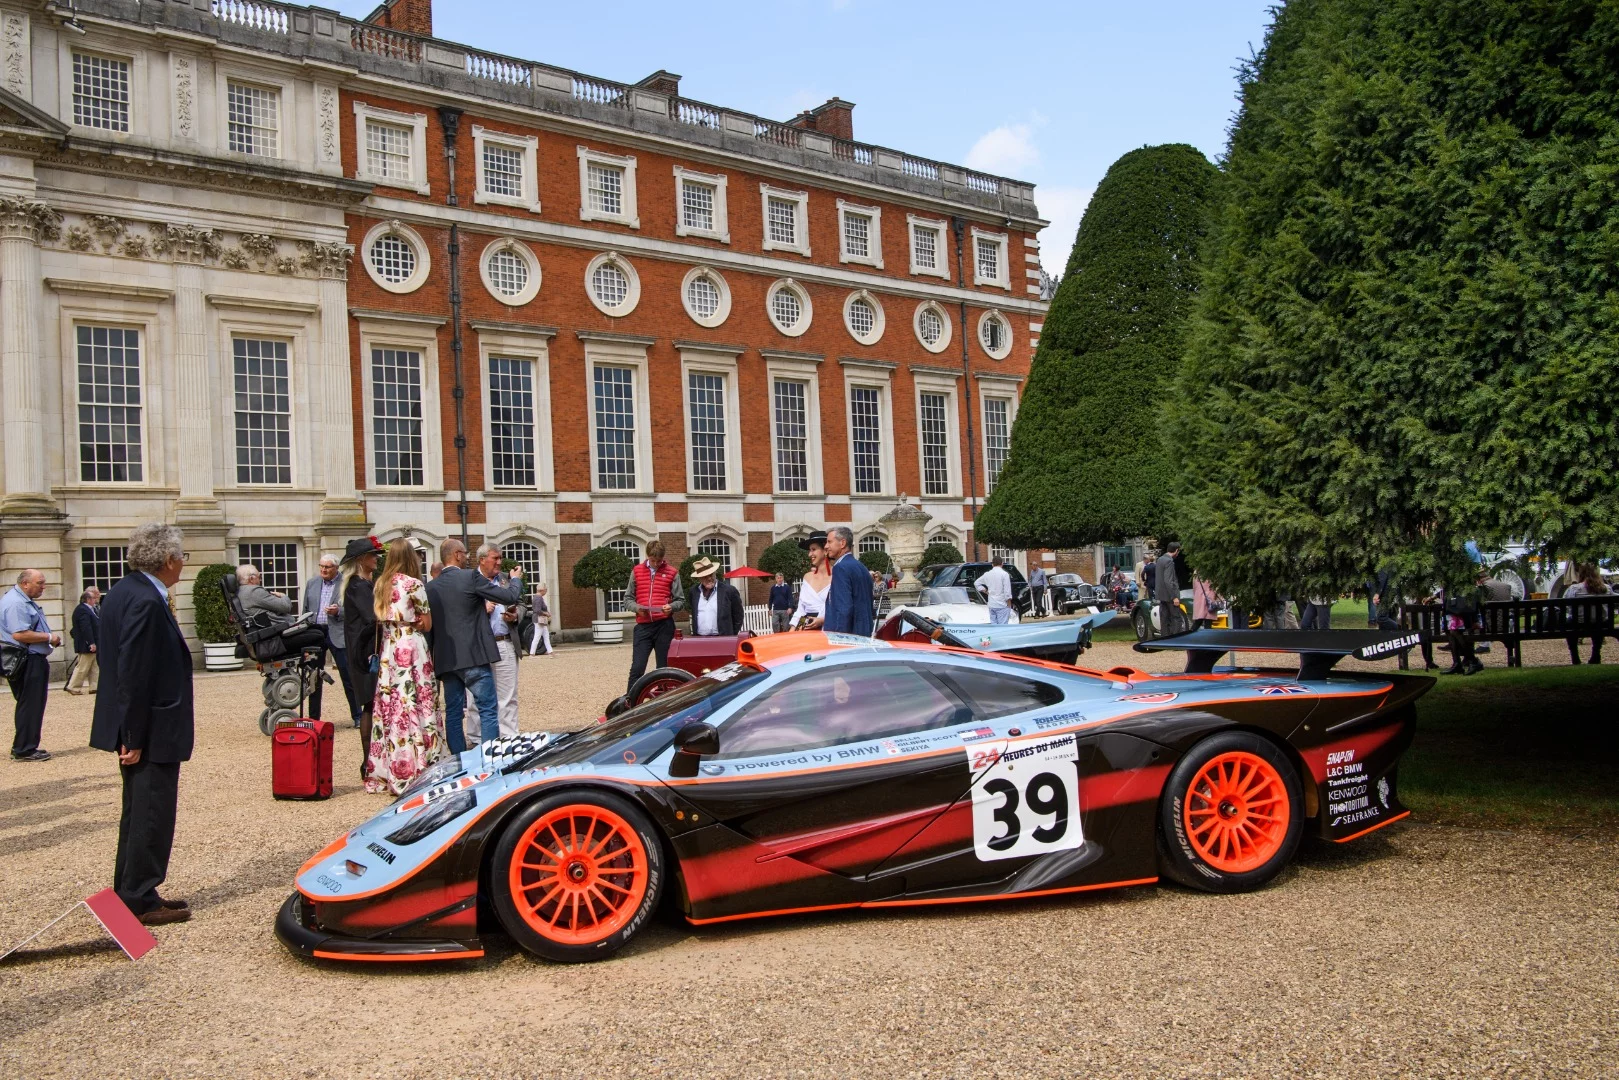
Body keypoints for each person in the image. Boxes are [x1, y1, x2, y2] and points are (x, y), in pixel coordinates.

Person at [88, 523, 193, 925]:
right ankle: (139, 899)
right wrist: (132, 735)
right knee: (151, 811)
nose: (183, 563)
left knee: (137, 810)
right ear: (168, 560)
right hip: (151, 727)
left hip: (141, 723)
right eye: (182, 556)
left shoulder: (123, 591)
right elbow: (132, 672)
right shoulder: (147, 600)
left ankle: (132, 888)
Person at [425, 539, 522, 750]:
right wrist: (515, 580)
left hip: (446, 659)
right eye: (465, 554)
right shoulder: (470, 577)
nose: (467, 558)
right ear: (458, 555)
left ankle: (459, 759)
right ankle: (488, 758)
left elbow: (429, 627)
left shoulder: (430, 587)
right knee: (487, 707)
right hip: (473, 655)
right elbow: (510, 595)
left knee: (452, 712)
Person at [365, 541, 440, 795]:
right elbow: (426, 623)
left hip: (389, 646)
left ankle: (389, 768)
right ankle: (422, 761)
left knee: (391, 703)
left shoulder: (380, 584)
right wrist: (416, 622)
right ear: (411, 557)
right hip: (410, 643)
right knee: (417, 699)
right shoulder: (413, 584)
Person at [3, 569, 59, 762]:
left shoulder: (20, 600)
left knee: (31, 704)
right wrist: (50, 637)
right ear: (25, 583)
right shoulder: (17, 603)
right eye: (40, 583)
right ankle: (24, 749)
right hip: (27, 659)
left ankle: (25, 746)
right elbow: (20, 634)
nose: (44, 587)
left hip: (29, 658)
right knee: (30, 705)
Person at [339, 537, 384, 775]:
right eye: (372, 555)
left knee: (371, 704)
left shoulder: (363, 584)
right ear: (360, 560)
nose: (376, 558)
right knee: (369, 704)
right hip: (364, 653)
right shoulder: (358, 585)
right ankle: (368, 762)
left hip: (364, 649)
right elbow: (372, 617)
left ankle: (371, 761)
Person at [301, 555, 357, 724]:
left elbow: (355, 610)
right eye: (322, 566)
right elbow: (305, 609)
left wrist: (338, 611)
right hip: (315, 633)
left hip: (337, 633)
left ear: (336, 567)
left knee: (348, 675)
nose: (324, 570)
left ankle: (358, 716)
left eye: (328, 567)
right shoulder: (312, 583)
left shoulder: (347, 583)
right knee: (313, 677)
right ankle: (314, 718)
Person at [625, 540, 685, 693]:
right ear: (648, 556)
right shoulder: (637, 571)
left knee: (663, 668)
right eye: (653, 560)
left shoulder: (672, 572)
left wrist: (671, 607)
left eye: (659, 560)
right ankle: (630, 702)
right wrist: (637, 608)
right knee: (637, 667)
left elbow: (680, 600)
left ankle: (663, 702)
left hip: (664, 626)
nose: (657, 564)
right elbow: (627, 599)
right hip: (643, 626)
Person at [483, 552, 525, 739]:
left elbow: (522, 603)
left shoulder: (505, 580)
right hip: (480, 645)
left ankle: (510, 740)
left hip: (505, 641)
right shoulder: (472, 581)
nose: (500, 562)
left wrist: (516, 615)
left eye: (500, 558)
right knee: (479, 700)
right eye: (495, 558)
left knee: (508, 697)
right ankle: (480, 743)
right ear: (482, 559)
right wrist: (482, 610)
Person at [822, 526, 874, 636]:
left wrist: (839, 638)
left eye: (829, 542)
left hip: (848, 638)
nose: (826, 546)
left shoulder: (840, 568)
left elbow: (843, 609)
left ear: (842, 543)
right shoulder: (861, 567)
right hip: (864, 634)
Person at [1562, 562, 1608, 665]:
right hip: (1601, 624)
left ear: (1580, 574)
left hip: (1578, 623)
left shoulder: (1574, 588)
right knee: (1599, 621)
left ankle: (1575, 657)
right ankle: (1596, 654)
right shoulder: (1606, 588)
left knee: (1570, 623)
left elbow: (1565, 603)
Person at [689, 558, 744, 636]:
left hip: (723, 639)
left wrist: (730, 635)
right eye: (705, 576)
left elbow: (738, 616)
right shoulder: (693, 592)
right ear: (699, 578)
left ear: (715, 573)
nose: (709, 578)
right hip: (699, 639)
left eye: (711, 574)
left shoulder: (729, 591)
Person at [791, 532, 832, 629]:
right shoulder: (807, 577)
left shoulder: (838, 576)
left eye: (813, 549)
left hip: (828, 630)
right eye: (809, 550)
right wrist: (794, 631)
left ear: (825, 551)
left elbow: (842, 610)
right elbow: (801, 610)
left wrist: (822, 620)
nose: (810, 554)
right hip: (807, 628)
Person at [66, 586, 101, 696]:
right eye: (93, 599)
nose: (95, 600)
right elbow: (86, 628)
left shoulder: (88, 609)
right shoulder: (82, 610)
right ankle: (73, 686)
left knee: (94, 666)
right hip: (86, 643)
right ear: (88, 600)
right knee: (83, 666)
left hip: (93, 642)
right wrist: (91, 642)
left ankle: (94, 686)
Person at [976, 555, 1015, 626]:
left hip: (991, 603)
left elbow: (976, 583)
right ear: (1002, 564)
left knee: (993, 625)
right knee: (1002, 627)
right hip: (1002, 604)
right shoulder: (1004, 574)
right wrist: (1009, 605)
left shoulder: (987, 574)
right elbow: (1007, 592)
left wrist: (984, 590)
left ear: (992, 564)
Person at [1154, 543, 1182, 637]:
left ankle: (1165, 639)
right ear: (1176, 550)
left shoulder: (1160, 559)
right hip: (1170, 595)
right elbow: (1168, 581)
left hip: (1161, 594)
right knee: (1176, 618)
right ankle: (1175, 640)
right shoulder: (1169, 561)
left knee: (1164, 618)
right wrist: (1174, 596)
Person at [527, 584, 554, 656]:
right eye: (546, 590)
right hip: (539, 619)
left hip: (539, 619)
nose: (546, 591)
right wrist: (546, 614)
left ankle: (550, 652)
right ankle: (532, 653)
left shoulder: (536, 597)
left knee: (546, 635)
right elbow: (537, 610)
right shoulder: (539, 598)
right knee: (537, 636)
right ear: (542, 590)